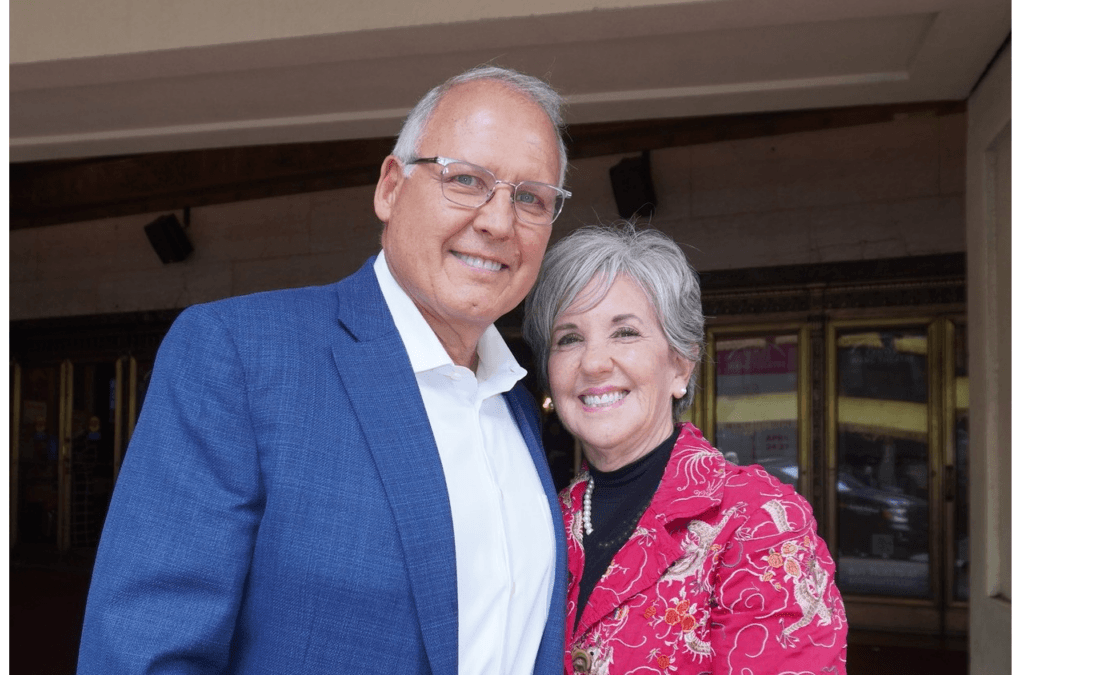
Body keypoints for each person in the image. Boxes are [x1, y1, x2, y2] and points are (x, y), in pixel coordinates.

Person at [78, 66, 573, 674]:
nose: (500, 222)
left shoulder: (514, 402)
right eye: (466, 180)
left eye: (531, 198)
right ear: (391, 188)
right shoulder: (241, 355)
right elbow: (145, 655)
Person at [522, 224, 848, 674]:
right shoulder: (539, 524)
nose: (594, 362)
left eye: (626, 333)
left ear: (681, 365)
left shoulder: (758, 520)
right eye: (569, 338)